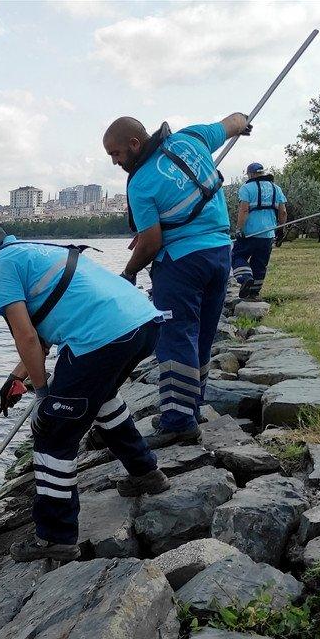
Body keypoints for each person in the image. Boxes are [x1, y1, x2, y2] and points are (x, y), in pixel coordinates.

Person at [0, 225, 169, 563]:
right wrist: (16, 378)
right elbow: (41, 331)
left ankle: (55, 537)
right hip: (140, 324)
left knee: (51, 432)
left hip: (103, 338)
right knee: (101, 398)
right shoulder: (26, 251)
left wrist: (44, 395)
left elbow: (27, 338)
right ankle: (146, 473)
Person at [102, 112, 252, 443]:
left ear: (134, 144)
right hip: (217, 256)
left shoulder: (140, 184)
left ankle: (177, 419)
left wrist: (129, 271)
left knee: (175, 337)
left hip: (180, 265)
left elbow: (151, 242)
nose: (115, 162)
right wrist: (244, 122)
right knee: (201, 336)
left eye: (116, 154)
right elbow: (233, 123)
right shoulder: (191, 138)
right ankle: (192, 406)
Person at [231, 162, 287, 300]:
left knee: (237, 256)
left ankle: (245, 278)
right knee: (260, 263)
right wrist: (281, 228)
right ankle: (254, 294)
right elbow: (283, 212)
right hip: (268, 233)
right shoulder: (276, 188)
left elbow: (244, 210)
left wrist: (239, 229)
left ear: (250, 174)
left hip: (250, 232)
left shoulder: (246, 188)